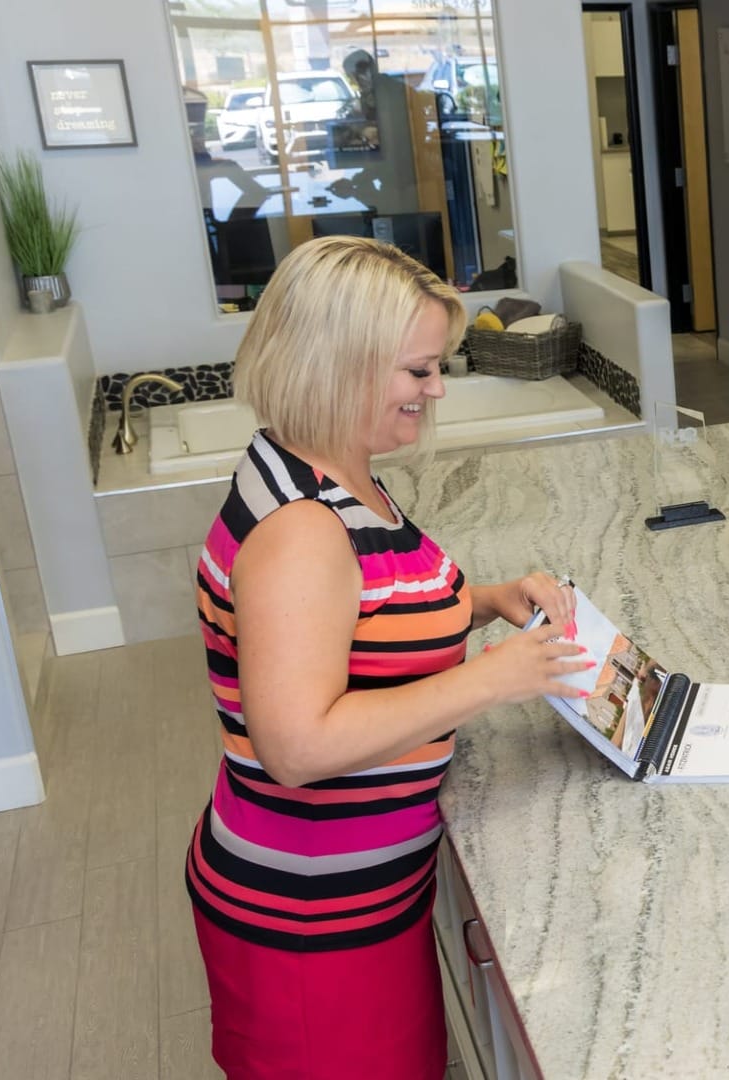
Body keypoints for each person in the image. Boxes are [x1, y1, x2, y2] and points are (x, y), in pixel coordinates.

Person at [184, 235, 593, 1078]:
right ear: (338, 365)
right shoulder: (301, 529)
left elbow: (363, 614)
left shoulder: (333, 468)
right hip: (307, 918)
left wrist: (483, 601)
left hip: (363, 894)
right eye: (417, 370)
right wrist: (489, 679)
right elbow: (297, 747)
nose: (436, 388)